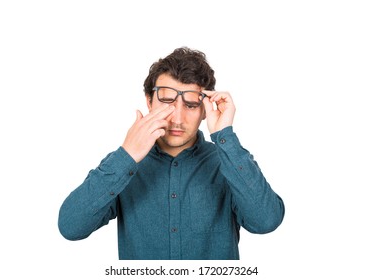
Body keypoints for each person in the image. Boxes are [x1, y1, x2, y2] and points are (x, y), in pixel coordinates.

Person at [58, 47, 285, 260]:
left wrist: (225, 135)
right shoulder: (124, 166)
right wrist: (127, 155)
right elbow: (70, 226)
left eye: (191, 105)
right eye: (167, 100)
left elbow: (266, 221)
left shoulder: (227, 161)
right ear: (149, 101)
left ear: (205, 110)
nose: (177, 118)